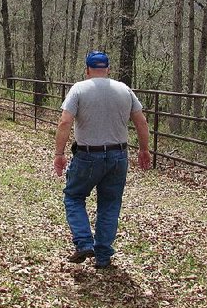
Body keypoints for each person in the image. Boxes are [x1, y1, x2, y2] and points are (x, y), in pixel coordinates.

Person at [53, 51, 151, 269]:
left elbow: (65, 122)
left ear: (87, 70)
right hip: (119, 155)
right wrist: (144, 149)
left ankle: (84, 242)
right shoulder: (124, 89)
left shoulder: (79, 88)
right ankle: (103, 256)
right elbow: (141, 122)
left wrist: (59, 154)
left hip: (88, 155)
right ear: (108, 69)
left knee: (73, 196)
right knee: (110, 204)